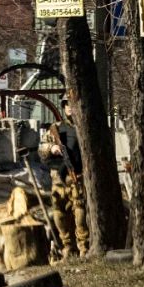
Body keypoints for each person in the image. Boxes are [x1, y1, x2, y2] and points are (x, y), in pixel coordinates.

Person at [46, 105, 89, 258]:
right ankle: (67, 246)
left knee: (79, 210)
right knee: (58, 211)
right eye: (67, 105)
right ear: (64, 108)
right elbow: (41, 148)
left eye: (73, 104)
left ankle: (83, 246)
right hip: (58, 177)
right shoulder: (56, 128)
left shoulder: (84, 126)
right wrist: (52, 148)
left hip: (77, 175)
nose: (70, 108)